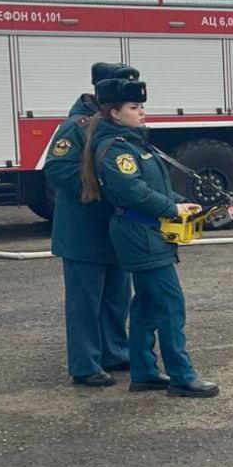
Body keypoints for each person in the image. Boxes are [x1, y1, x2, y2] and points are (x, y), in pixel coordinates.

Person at [80, 76, 220, 398]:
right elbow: (132, 192)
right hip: (139, 233)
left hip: (147, 231)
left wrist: (178, 202)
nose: (141, 111)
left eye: (141, 105)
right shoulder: (117, 150)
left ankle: (143, 371)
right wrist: (172, 208)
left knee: (145, 302)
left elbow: (153, 186)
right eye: (134, 107)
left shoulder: (133, 143)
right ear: (115, 113)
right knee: (170, 303)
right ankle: (182, 375)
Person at [44, 63, 137, 388]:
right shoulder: (77, 127)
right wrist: (98, 187)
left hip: (114, 229)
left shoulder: (121, 125)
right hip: (83, 231)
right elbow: (56, 169)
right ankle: (85, 364)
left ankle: (113, 352)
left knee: (116, 295)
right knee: (85, 301)